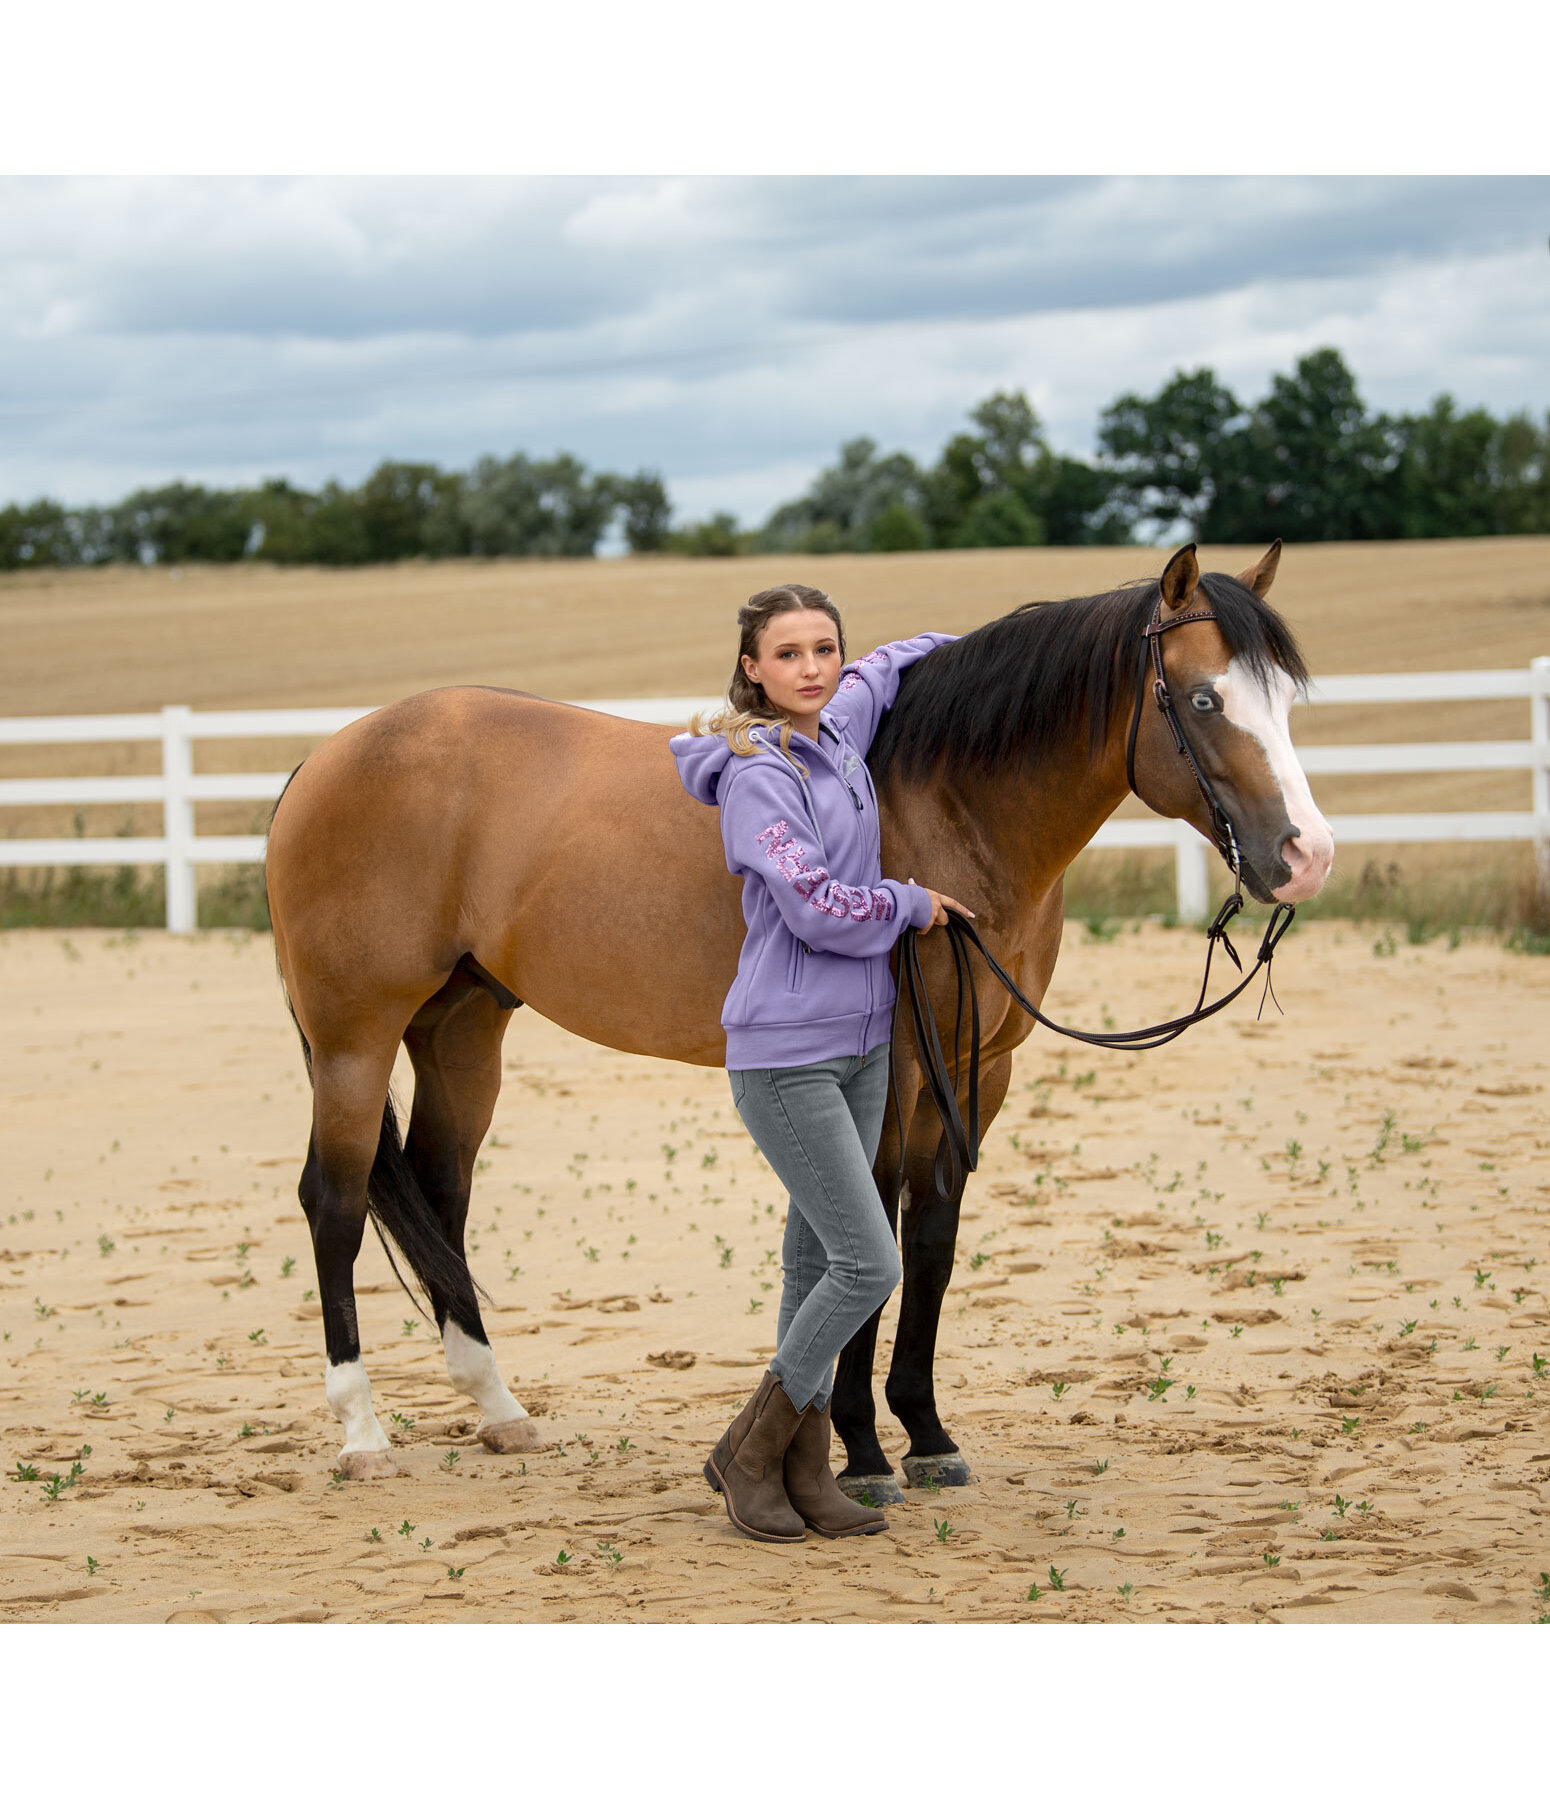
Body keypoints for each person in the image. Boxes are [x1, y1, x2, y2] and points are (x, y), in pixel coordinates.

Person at [670, 582, 970, 1542]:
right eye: (788, 653)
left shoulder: (840, 728)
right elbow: (810, 904)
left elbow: (889, 666)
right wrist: (908, 905)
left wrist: (1007, 649)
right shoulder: (759, 772)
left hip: (862, 1045)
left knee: (812, 1263)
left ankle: (803, 1468)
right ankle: (751, 1452)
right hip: (786, 1053)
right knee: (867, 1261)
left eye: (824, 649)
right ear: (752, 669)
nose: (812, 667)